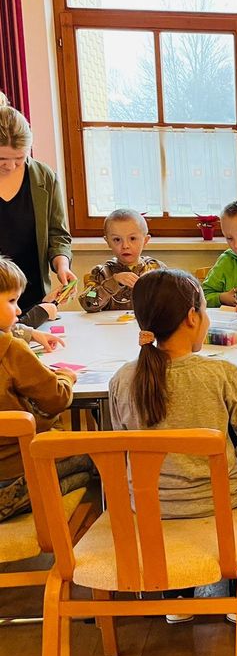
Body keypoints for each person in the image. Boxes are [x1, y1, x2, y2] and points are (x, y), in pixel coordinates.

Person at [109, 269, 237, 621]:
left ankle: (178, 595)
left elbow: (120, 441)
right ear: (192, 317)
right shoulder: (221, 374)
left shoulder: (122, 379)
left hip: (150, 505)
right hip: (219, 500)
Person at [0, 257, 91, 522]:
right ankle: (34, 503)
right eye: (12, 301)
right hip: (15, 473)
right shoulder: (11, 350)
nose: (19, 310)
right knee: (90, 462)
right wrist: (66, 376)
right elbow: (57, 399)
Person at [0, 93, 76, 320]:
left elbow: (57, 234)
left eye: (19, 159)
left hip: (33, 295)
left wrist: (62, 265)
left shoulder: (44, 177)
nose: (11, 166)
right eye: (2, 160)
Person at [80, 208, 165, 312]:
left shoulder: (157, 269)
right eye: (117, 239)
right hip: (110, 322)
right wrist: (113, 283)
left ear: (145, 240)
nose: (125, 246)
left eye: (132, 238)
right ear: (108, 242)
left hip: (147, 322)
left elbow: (173, 302)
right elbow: (87, 302)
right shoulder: (101, 273)